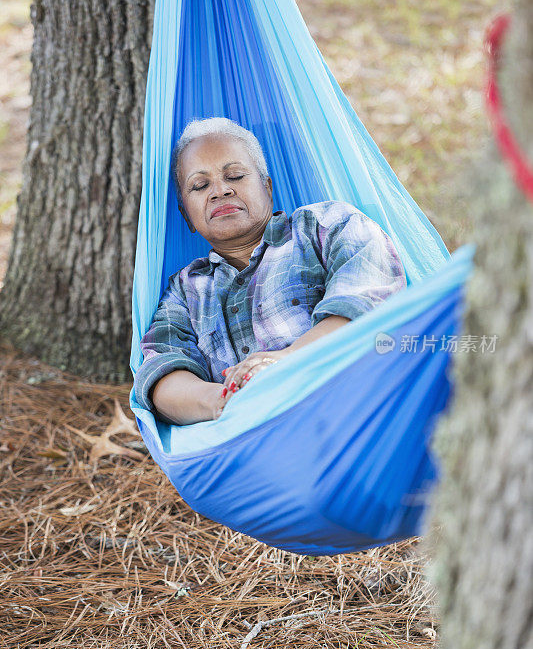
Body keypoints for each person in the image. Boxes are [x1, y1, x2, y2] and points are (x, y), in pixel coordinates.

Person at [134, 117, 407, 425]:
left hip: (355, 409)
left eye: (235, 176)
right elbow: (163, 373)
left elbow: (367, 302)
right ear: (186, 216)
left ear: (267, 187)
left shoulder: (326, 226)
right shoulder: (185, 292)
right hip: (256, 441)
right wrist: (224, 400)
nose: (220, 191)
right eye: (200, 185)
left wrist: (285, 363)